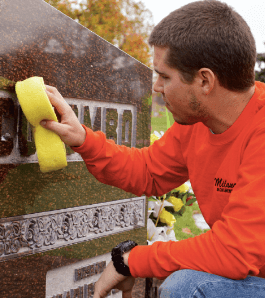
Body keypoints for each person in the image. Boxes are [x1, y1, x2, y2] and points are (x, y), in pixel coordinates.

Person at [40, 1, 265, 297]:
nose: (156, 87)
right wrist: (82, 138)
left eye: (165, 76)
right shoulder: (196, 124)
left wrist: (131, 261)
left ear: (204, 80)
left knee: (186, 288)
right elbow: (148, 171)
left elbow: (234, 251)